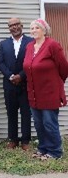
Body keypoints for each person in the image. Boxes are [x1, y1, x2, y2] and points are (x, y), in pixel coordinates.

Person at [23, 19, 68, 160]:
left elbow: (64, 67)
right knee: (38, 123)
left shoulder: (52, 45)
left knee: (49, 123)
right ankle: (43, 148)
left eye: (37, 27)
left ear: (44, 30)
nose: (34, 30)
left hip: (49, 92)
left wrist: (55, 82)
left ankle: (55, 151)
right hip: (34, 93)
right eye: (32, 28)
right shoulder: (29, 46)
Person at [0, 18, 33, 150]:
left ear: (21, 26)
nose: (14, 27)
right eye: (12, 25)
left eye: (17, 24)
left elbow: (32, 61)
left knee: (26, 113)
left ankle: (25, 141)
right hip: (9, 85)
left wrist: (21, 75)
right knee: (11, 113)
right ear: (9, 28)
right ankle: (13, 140)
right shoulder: (4, 44)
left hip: (25, 84)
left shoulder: (30, 42)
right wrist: (11, 76)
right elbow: (0, 63)